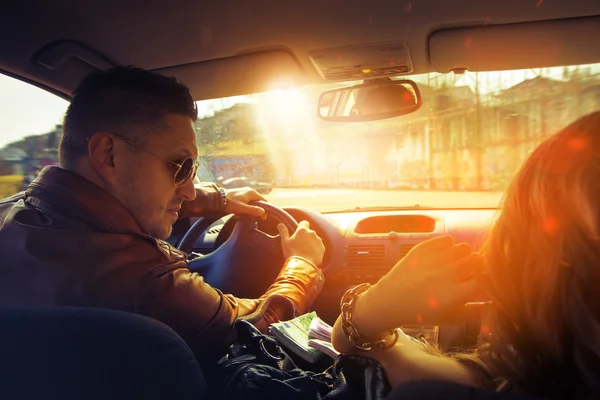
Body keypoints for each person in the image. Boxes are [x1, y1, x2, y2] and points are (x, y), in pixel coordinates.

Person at [0, 66, 325, 362]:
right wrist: (303, 266)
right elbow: (256, 326)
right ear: (108, 155)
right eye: (181, 167)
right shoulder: (144, 282)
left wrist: (218, 199)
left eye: (193, 170)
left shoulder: (13, 215)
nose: (187, 190)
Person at [331, 111, 600, 400]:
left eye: (518, 231)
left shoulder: (424, 396)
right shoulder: (557, 370)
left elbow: (352, 344)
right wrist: (377, 313)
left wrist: (375, 306)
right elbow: (482, 380)